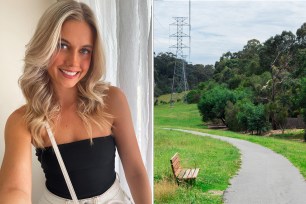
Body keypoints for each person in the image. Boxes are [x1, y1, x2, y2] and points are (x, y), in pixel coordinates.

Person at [0, 1, 151, 203]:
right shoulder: (23, 120)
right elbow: (14, 189)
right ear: (44, 45)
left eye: (85, 50)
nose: (73, 62)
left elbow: (135, 172)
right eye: (62, 46)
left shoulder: (112, 100)